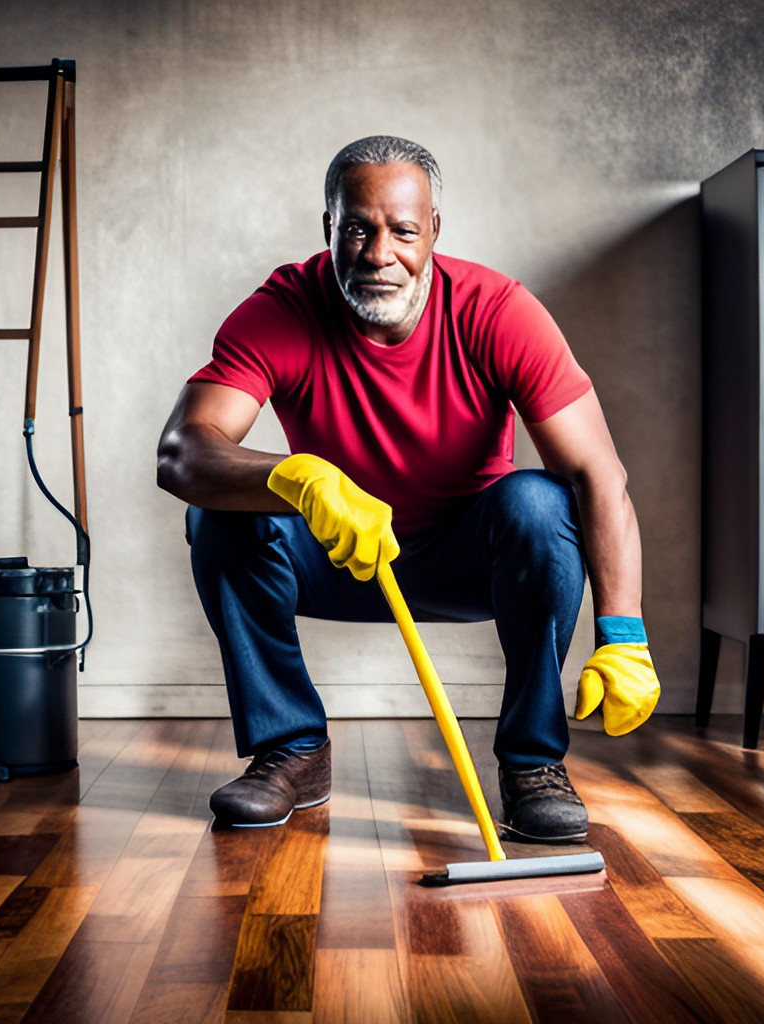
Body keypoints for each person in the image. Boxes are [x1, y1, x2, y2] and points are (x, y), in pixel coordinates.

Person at [157, 135, 660, 843]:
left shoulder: (498, 310)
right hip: (342, 559)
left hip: (468, 561)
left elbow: (595, 475)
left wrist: (625, 632)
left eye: (403, 231)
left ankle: (533, 764)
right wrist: (295, 478)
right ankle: (293, 749)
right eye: (356, 228)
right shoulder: (283, 308)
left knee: (542, 503)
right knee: (220, 516)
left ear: (434, 234)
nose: (377, 252)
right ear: (328, 227)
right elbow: (183, 452)